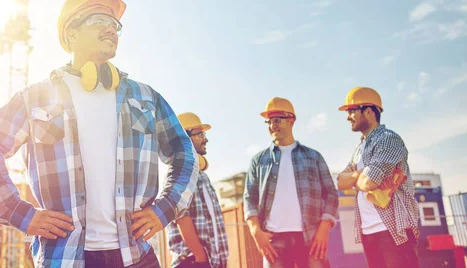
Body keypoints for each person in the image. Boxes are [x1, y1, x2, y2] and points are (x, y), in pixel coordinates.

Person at [0, 0, 199, 267]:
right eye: (99, 19)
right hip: (65, 258)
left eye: (116, 25)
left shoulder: (146, 98)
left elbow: (184, 151)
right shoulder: (34, 98)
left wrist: (166, 208)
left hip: (137, 257)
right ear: (71, 34)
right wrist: (19, 213)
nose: (111, 29)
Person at [244, 97, 338, 268]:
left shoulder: (313, 156)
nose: (273, 125)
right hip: (274, 240)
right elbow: (249, 197)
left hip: (311, 238)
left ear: (291, 120)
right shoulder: (259, 160)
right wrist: (255, 230)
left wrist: (324, 228)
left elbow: (331, 193)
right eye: (269, 121)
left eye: (278, 120)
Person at [336, 87, 420, 268]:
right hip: (369, 231)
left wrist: (357, 178)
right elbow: (341, 182)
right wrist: (361, 173)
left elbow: (370, 182)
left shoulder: (388, 139)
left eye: (351, 111)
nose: (347, 117)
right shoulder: (359, 149)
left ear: (368, 111)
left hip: (393, 230)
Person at [167, 113, 229, 268]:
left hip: (210, 262)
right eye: (199, 134)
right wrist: (200, 258)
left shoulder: (201, 175)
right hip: (194, 263)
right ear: (185, 138)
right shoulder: (181, 171)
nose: (205, 139)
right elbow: (182, 218)